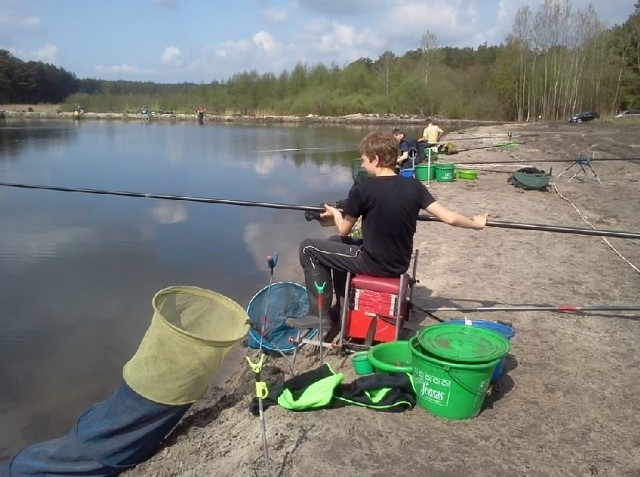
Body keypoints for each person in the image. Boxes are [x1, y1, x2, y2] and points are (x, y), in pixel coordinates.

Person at [298, 131, 488, 326]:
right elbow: (450, 218)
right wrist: (477, 224)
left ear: (376, 159)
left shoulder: (363, 190)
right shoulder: (414, 186)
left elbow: (344, 229)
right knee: (334, 244)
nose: (362, 165)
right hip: (399, 262)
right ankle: (341, 306)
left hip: (375, 263)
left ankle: (318, 315)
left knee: (308, 248)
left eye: (364, 160)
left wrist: (336, 214)